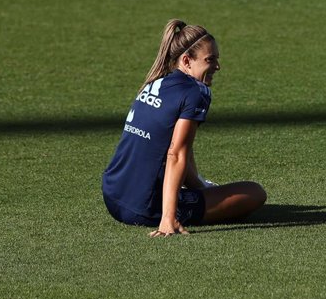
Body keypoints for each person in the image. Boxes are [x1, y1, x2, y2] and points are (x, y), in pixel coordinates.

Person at [102, 19, 267, 237]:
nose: (217, 67)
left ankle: (194, 191)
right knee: (253, 193)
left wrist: (198, 185)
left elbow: (171, 146)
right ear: (187, 61)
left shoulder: (155, 83)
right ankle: (169, 212)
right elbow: (176, 153)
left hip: (113, 194)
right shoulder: (196, 93)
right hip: (142, 208)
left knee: (204, 187)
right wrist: (168, 218)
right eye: (210, 60)